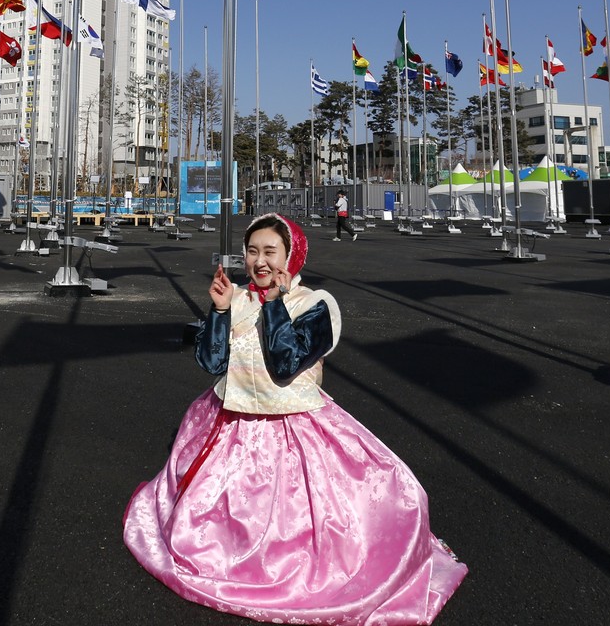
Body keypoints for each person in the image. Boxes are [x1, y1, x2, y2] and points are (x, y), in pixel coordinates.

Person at [124, 213, 466, 624]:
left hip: (292, 428)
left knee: (304, 518)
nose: (260, 261)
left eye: (271, 251)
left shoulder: (317, 305)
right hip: (229, 423)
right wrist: (218, 311)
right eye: (252, 252)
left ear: (292, 255)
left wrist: (274, 306)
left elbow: (286, 364)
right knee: (216, 519)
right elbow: (212, 361)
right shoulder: (238, 298)